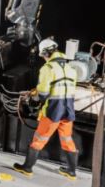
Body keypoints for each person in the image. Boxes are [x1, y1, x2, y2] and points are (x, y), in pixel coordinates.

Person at [13, 38, 79, 179]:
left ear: (45, 53)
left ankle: (27, 167)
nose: (42, 58)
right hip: (68, 108)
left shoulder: (47, 68)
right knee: (67, 139)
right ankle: (72, 171)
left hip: (54, 110)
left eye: (42, 55)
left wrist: (32, 97)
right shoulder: (70, 68)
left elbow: (43, 93)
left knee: (39, 138)